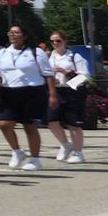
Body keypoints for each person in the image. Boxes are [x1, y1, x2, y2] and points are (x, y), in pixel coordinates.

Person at [0, 25, 56, 171]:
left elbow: (48, 74)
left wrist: (52, 94)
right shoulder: (3, 52)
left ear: (24, 36)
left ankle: (35, 159)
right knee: (4, 124)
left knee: (30, 126)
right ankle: (17, 152)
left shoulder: (35, 52)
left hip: (32, 92)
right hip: (9, 91)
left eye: (16, 33)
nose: (13, 35)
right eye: (10, 33)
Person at [44, 31, 88, 163]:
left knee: (73, 123)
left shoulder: (74, 56)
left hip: (72, 90)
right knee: (51, 119)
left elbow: (84, 76)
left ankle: (78, 152)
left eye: (58, 41)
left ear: (64, 41)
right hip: (56, 90)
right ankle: (65, 144)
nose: (55, 44)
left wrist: (66, 72)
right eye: (52, 41)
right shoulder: (50, 57)